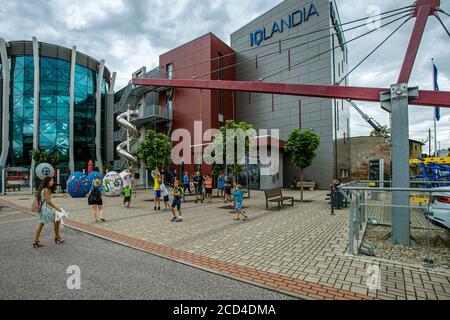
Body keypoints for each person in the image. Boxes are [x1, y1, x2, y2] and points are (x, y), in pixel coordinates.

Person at [33, 177, 64, 248]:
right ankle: (57, 237)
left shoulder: (42, 189)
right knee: (57, 219)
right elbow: (48, 201)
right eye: (52, 181)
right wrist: (57, 208)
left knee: (41, 224)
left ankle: (36, 241)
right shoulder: (47, 189)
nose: (53, 182)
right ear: (48, 182)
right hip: (47, 210)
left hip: (42, 210)